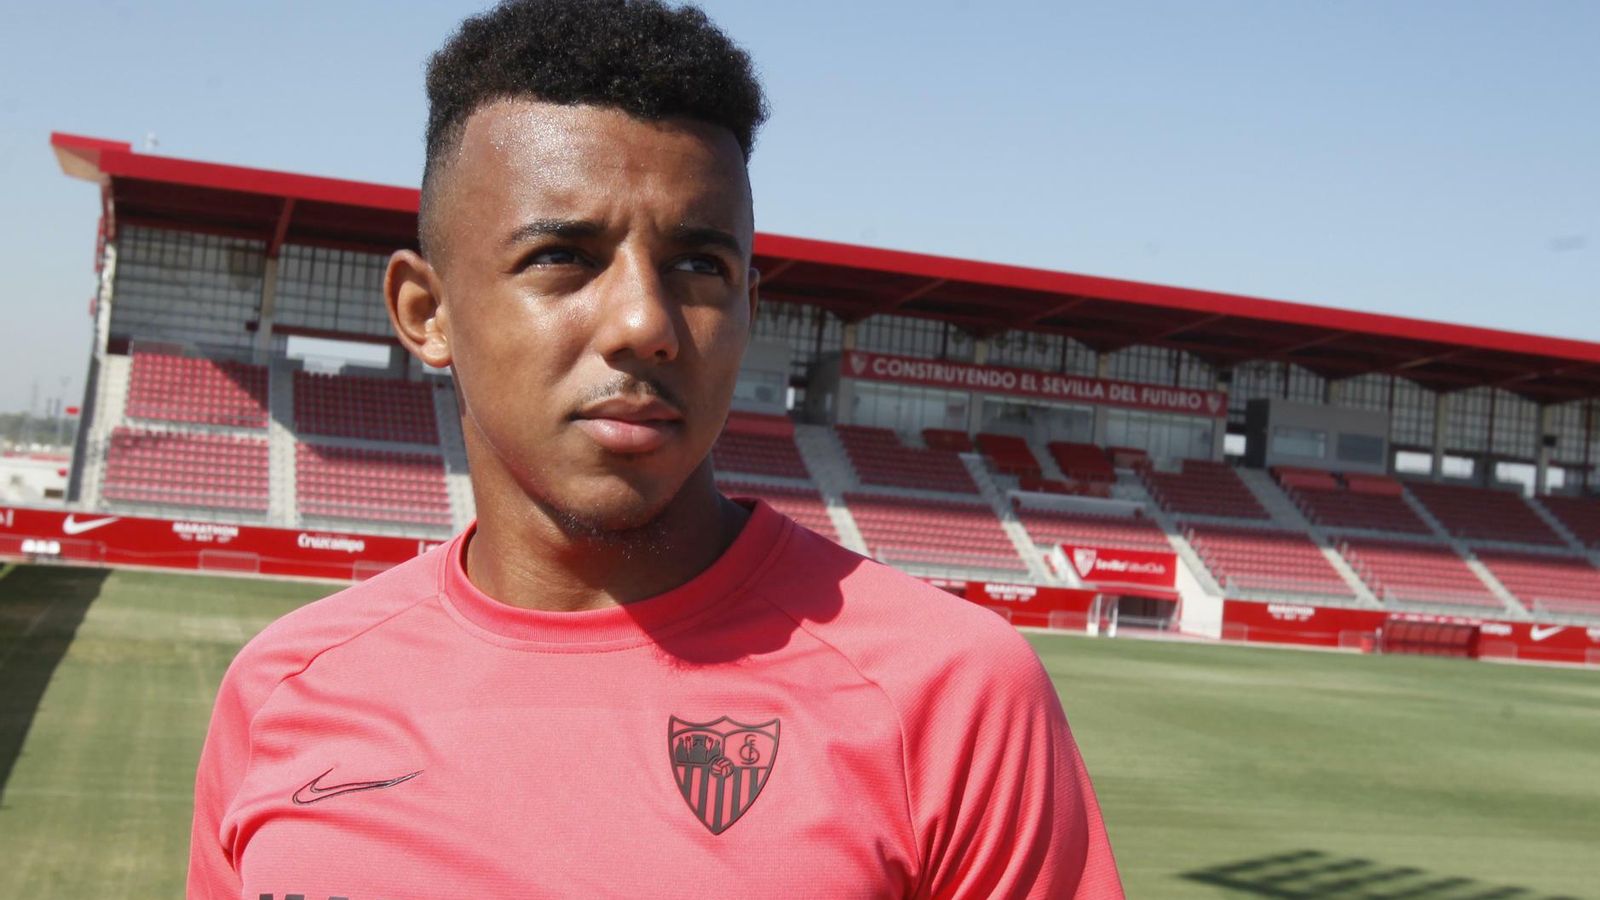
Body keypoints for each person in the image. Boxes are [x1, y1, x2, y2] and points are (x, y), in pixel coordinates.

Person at [188, 0, 1123, 896]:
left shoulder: (950, 692)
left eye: (699, 267)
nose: (645, 323)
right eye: (562, 257)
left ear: (749, 308)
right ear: (426, 313)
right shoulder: (282, 692)